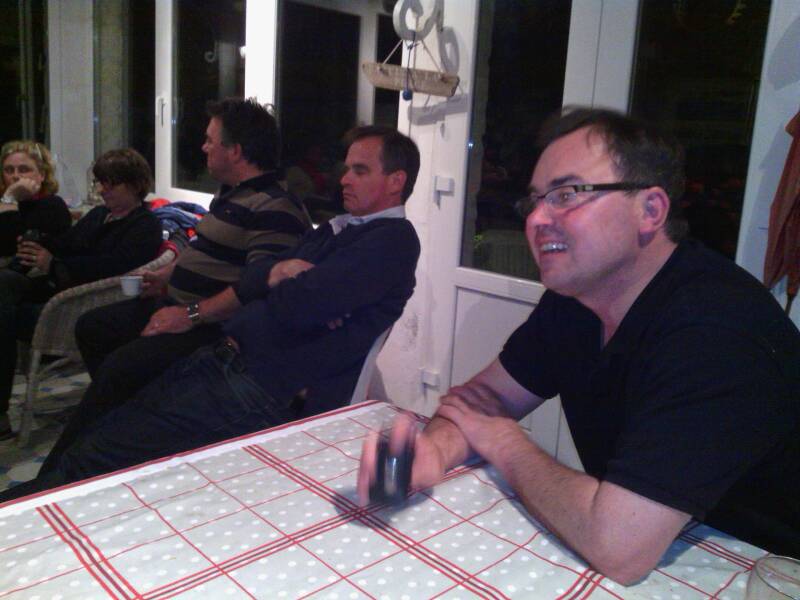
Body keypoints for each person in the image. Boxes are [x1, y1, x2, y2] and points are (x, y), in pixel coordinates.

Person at [358, 108, 800, 583]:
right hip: (672, 540)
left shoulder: (715, 331)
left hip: (766, 570)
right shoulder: (575, 300)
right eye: (534, 201)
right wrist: (434, 451)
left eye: (566, 195)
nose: (536, 219)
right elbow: (484, 398)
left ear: (650, 210)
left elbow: (618, 548)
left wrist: (503, 440)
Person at [0, 124, 421, 500]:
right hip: (224, 360)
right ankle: (31, 503)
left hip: (258, 387)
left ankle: (22, 516)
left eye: (359, 170)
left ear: (395, 181)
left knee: (98, 456)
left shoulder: (393, 241)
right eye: (346, 168)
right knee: (99, 433)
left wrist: (282, 286)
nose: (343, 179)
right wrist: (277, 277)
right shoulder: (335, 229)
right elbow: (258, 278)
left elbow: (297, 304)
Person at [47, 98, 312, 464]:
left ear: (235, 151)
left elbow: (259, 287)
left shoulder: (275, 208)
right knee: (93, 327)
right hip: (178, 305)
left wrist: (189, 314)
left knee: (120, 368)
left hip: (212, 328)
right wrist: (167, 276)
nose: (203, 147)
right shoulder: (231, 193)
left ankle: (62, 472)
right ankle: (129, 420)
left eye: (210, 140)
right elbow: (206, 248)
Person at [0, 147, 162, 440]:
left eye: (110, 184)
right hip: (63, 292)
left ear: (135, 184)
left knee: (6, 311)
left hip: (81, 308)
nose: (102, 190)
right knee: (5, 284)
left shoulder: (145, 225)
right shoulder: (100, 214)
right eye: (100, 183)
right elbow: (69, 243)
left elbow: (112, 267)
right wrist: (40, 244)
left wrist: (53, 264)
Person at [0, 140, 72, 259]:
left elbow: (8, 247)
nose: (15, 176)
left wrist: (10, 199)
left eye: (24, 169)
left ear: (42, 175)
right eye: (9, 170)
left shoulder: (53, 205)